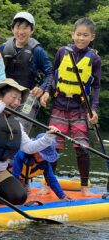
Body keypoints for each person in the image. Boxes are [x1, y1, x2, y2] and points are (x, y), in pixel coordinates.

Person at [41, 18, 101, 196]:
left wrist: (94, 108)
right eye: (78, 34)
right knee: (53, 146)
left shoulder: (95, 59)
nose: (81, 38)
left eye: (85, 35)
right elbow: (53, 76)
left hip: (80, 108)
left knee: (82, 148)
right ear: (72, 34)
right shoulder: (62, 52)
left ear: (92, 37)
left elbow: (96, 86)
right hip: (59, 105)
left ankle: (84, 188)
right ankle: (47, 184)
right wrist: (47, 92)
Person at [0, 78, 60, 205]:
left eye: (19, 99)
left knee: (19, 197)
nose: (16, 102)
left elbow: (28, 147)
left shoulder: (16, 123)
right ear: (0, 95)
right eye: (13, 97)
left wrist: (48, 138)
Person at [0, 12, 53, 98]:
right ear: (12, 29)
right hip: (5, 95)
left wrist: (42, 88)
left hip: (28, 96)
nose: (21, 32)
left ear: (32, 30)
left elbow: (50, 73)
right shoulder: (3, 48)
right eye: (18, 27)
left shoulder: (37, 51)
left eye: (25, 28)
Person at [11, 133, 71, 200]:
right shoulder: (21, 155)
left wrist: (62, 195)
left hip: (23, 180)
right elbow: (15, 175)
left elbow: (51, 179)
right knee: (17, 197)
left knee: (24, 196)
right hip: (9, 177)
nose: (42, 158)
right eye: (40, 154)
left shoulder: (45, 163)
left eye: (44, 156)